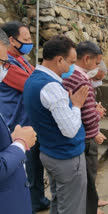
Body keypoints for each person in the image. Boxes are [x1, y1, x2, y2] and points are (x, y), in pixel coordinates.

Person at [23, 35, 89, 214]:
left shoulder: (32, 80)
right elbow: (69, 130)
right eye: (71, 62)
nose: (73, 67)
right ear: (59, 60)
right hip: (66, 156)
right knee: (72, 207)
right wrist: (76, 106)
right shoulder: (51, 87)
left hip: (49, 151)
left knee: (59, 201)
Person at [0, 21, 50, 213]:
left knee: (35, 167)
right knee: (24, 170)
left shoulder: (22, 60)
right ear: (12, 40)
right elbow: (31, 85)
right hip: (16, 127)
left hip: (29, 126)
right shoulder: (9, 64)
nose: (30, 43)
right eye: (26, 39)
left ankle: (38, 200)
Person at [62, 41, 107, 214]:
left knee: (85, 176)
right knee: (88, 174)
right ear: (86, 59)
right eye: (96, 63)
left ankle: (92, 201)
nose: (96, 67)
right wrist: (98, 114)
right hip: (85, 138)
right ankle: (90, 207)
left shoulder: (68, 75)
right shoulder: (81, 79)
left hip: (76, 134)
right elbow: (87, 118)